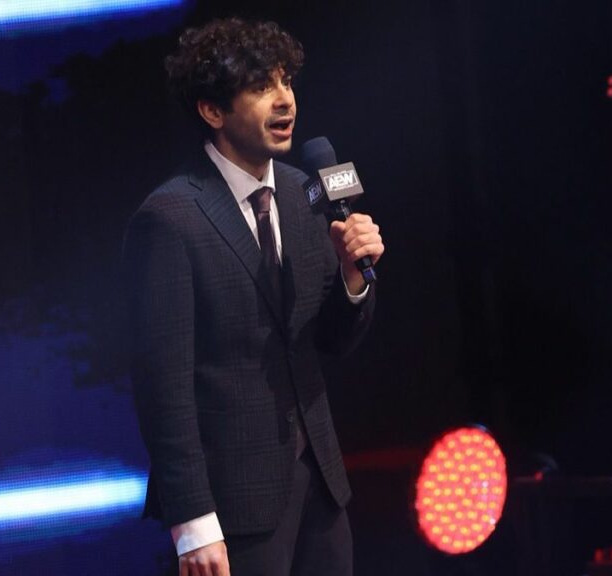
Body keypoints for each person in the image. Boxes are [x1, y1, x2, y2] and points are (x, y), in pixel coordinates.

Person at [121, 17, 383, 576]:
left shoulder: (304, 192)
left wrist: (353, 278)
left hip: (320, 489)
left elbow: (331, 341)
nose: (284, 99)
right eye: (261, 86)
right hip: (232, 508)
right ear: (212, 112)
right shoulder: (170, 218)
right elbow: (162, 387)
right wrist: (192, 521)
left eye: (286, 81)